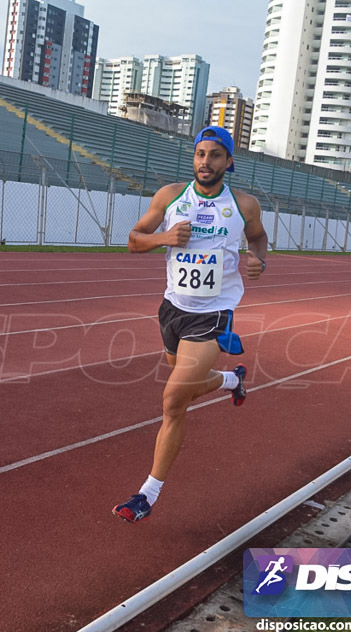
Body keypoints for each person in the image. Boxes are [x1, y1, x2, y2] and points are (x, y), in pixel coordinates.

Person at [112, 126, 268, 524]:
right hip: (172, 310)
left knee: (173, 400)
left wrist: (257, 259)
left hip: (214, 313)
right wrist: (164, 237)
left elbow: (258, 238)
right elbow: (133, 240)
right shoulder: (170, 197)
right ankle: (232, 380)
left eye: (215, 155)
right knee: (188, 386)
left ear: (228, 162)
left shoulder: (244, 204)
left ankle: (148, 493)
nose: (205, 161)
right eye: (200, 154)